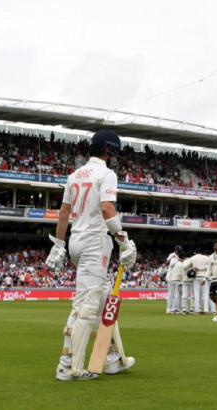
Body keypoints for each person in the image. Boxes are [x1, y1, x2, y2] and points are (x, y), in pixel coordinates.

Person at [45, 129, 138, 381]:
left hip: (76, 241)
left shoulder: (74, 175)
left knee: (103, 300)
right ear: (108, 150)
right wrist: (124, 239)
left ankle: (111, 358)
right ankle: (67, 365)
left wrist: (59, 245)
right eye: (114, 152)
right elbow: (107, 208)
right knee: (85, 304)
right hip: (95, 243)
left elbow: (64, 214)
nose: (116, 157)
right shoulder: (107, 174)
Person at [165, 245, 182, 314]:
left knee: (176, 293)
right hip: (171, 276)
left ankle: (174, 308)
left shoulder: (179, 255)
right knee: (171, 293)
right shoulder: (172, 255)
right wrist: (175, 259)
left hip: (176, 277)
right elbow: (168, 264)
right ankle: (169, 308)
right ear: (176, 250)